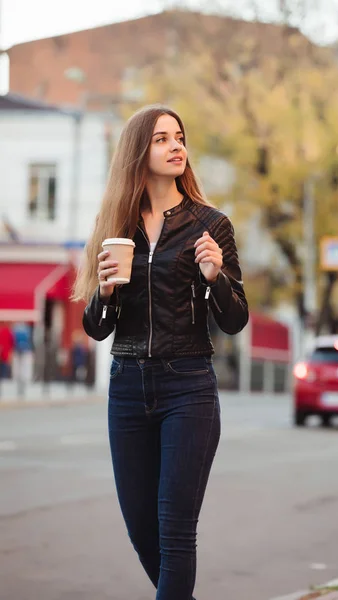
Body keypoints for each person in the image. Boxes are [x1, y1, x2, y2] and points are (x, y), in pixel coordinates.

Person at [73, 104, 248, 600]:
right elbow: (95, 328)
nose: (176, 147)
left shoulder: (211, 225)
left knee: (174, 533)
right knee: (141, 531)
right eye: (161, 139)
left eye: (180, 137)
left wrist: (215, 278)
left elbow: (235, 320)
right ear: (137, 152)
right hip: (127, 388)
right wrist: (104, 292)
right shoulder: (115, 226)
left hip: (187, 385)